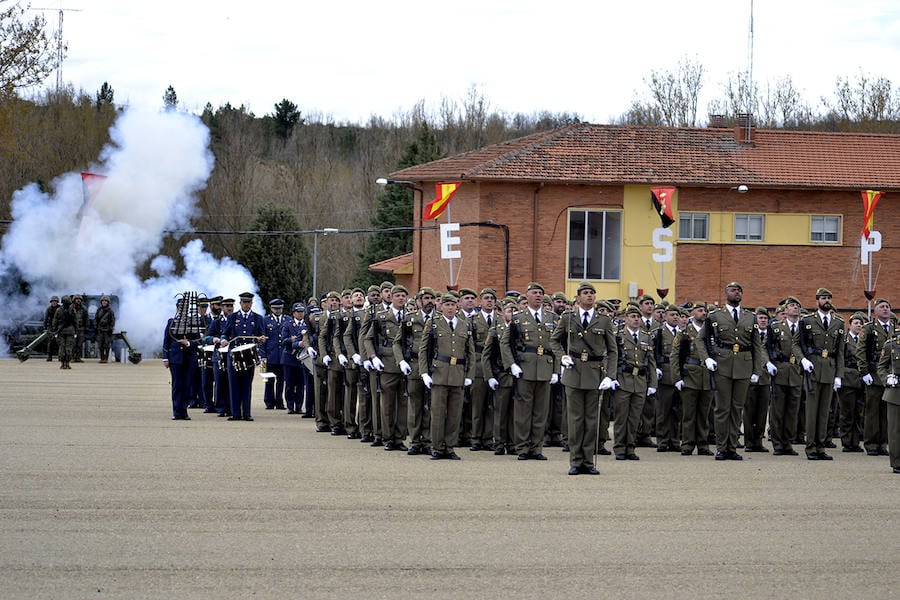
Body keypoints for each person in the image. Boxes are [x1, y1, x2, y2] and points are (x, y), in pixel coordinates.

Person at [548, 281, 617, 475]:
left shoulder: (603, 320)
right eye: (585, 293)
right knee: (576, 420)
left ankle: (588, 461)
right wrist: (562, 357)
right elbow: (554, 340)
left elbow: (612, 350)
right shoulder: (568, 318)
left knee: (592, 420)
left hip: (595, 374)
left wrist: (610, 376)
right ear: (578, 297)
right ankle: (575, 461)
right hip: (574, 372)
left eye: (592, 293)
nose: (589, 296)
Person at [700, 282, 765, 461]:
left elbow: (756, 346)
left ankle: (732, 446)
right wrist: (706, 359)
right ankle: (722, 447)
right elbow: (701, 340)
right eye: (733, 290)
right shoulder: (715, 316)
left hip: (744, 365)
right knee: (722, 409)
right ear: (726, 293)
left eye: (739, 290)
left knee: (737, 408)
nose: (736, 293)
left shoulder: (750, 317)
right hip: (723, 364)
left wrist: (757, 370)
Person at [500, 282, 560, 461]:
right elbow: (505, 343)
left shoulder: (551, 318)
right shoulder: (518, 318)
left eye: (541, 293)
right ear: (527, 296)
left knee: (541, 412)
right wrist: (511, 365)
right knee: (523, 412)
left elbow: (557, 345)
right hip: (525, 367)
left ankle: (536, 448)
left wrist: (557, 370)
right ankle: (522, 447)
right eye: (534, 293)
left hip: (545, 368)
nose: (538, 296)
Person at [420, 293, 475, 460]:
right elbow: (424, 349)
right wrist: (424, 373)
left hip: (458, 373)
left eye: (453, 305)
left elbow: (470, 352)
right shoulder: (434, 324)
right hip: (439, 373)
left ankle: (449, 447)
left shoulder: (464, 325)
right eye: (447, 305)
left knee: (454, 413)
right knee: (437, 412)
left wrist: (469, 374)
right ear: (441, 306)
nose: (450, 308)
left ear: (457, 306)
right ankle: (437, 447)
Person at [798, 287, 844, 460]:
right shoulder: (807, 321)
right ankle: (810, 447)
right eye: (823, 298)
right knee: (812, 411)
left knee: (825, 412)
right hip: (813, 368)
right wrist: (803, 359)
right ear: (817, 301)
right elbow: (797, 344)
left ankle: (820, 446)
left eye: (829, 298)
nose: (826, 301)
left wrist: (839, 375)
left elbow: (840, 351)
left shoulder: (838, 323)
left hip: (830, 370)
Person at [365, 284, 409, 451]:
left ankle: (400, 438)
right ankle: (388, 437)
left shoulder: (410, 317)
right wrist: (373, 357)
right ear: (392, 297)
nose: (400, 298)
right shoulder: (381, 317)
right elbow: (368, 338)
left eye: (403, 296)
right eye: (397, 295)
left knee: (403, 404)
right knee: (387, 404)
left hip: (405, 364)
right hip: (387, 364)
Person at [611, 304, 658, 461]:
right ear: (625, 319)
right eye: (632, 316)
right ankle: (619, 447)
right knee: (621, 417)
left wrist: (653, 384)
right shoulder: (618, 336)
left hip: (640, 382)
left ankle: (630, 447)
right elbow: (612, 358)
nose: (636, 319)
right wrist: (611, 378)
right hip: (623, 380)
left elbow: (651, 362)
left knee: (634, 418)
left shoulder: (646, 337)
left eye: (638, 317)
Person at [395, 287, 436, 455]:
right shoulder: (409, 320)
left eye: (432, 298)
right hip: (414, 366)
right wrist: (401, 361)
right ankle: (415, 440)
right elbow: (397, 342)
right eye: (426, 298)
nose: (429, 302)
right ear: (419, 301)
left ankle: (427, 440)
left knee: (430, 406)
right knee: (415, 405)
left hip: (433, 367)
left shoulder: (439, 320)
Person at [671, 302, 715, 456]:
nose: (703, 313)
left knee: (704, 414)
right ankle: (688, 444)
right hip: (690, 375)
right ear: (693, 313)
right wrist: (677, 377)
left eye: (705, 310)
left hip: (707, 377)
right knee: (689, 414)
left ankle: (703, 444)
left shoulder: (711, 332)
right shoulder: (684, 332)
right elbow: (675, 356)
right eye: (700, 310)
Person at [220, 292, 266, 421]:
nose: (246, 304)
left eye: (249, 302)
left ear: (251, 303)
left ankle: (246, 413)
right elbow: (225, 333)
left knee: (247, 384)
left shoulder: (258, 318)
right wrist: (223, 340)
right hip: (234, 355)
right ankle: (235, 413)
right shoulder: (233, 317)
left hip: (249, 356)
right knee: (234, 384)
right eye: (244, 302)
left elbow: (262, 335)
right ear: (240, 303)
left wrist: (261, 339)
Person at [856, 298, 893, 456]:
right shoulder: (869, 328)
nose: (885, 309)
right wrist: (864, 373)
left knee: (886, 411)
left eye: (887, 307)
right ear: (875, 310)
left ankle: (883, 443)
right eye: (882, 307)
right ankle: (871, 444)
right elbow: (860, 352)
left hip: (890, 375)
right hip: (874, 373)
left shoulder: (894, 329)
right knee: (872, 410)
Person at [768, 296, 804, 456]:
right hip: (780, 371)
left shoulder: (804, 328)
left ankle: (788, 443)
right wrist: (769, 363)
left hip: (796, 372)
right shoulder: (776, 327)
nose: (795, 308)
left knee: (792, 411)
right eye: (791, 305)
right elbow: (766, 347)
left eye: (797, 305)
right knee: (778, 411)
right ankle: (777, 444)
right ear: (785, 310)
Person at [483, 299, 517, 455]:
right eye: (509, 311)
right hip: (501, 376)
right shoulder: (495, 330)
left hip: (517, 377)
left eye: (514, 311)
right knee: (500, 412)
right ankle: (499, 442)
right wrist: (490, 376)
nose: (512, 314)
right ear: (503, 312)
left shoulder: (519, 330)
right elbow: (486, 355)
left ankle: (512, 443)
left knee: (515, 413)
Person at [743, 306, 774, 452]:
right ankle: (749, 442)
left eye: (765, 318)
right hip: (751, 376)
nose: (763, 320)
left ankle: (758, 441)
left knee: (762, 412)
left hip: (766, 378)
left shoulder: (771, 335)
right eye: (760, 318)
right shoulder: (750, 334)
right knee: (749, 410)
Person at [163, 299, 198, 421]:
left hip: (189, 357)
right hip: (176, 358)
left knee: (187, 385)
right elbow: (166, 341)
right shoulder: (172, 322)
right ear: (177, 308)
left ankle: (184, 411)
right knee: (177, 385)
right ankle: (176, 411)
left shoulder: (192, 322)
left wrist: (188, 343)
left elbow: (198, 341)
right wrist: (165, 358)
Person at [654, 305, 682, 452]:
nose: (675, 317)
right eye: (672, 314)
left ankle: (675, 440)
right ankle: (663, 440)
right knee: (663, 410)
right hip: (664, 373)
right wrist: (656, 368)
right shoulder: (659, 332)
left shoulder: (682, 333)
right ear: (665, 316)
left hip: (678, 375)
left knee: (676, 410)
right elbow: (655, 352)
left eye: (677, 314)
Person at [839, 313, 867, 452]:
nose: (859, 325)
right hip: (847, 378)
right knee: (847, 412)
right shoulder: (844, 340)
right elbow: (840, 358)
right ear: (849, 325)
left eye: (860, 323)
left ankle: (855, 442)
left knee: (858, 412)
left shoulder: (863, 341)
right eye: (856, 323)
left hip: (860, 379)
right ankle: (846, 441)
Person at [875, 331, 900, 474]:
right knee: (895, 430)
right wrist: (886, 379)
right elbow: (881, 367)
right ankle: (897, 462)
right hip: (896, 391)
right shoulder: (891, 345)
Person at [204, 297, 233, 417]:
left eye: (231, 306)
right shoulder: (216, 322)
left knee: (232, 382)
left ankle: (232, 407)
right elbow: (207, 338)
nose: (229, 309)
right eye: (227, 306)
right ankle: (221, 407)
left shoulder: (236, 320)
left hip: (232, 355)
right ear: (222, 308)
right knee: (220, 382)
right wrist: (215, 339)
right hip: (219, 355)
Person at [281, 303, 311, 415]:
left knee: (300, 384)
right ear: (293, 313)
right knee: (289, 383)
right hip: (290, 357)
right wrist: (292, 340)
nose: (300, 314)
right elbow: (283, 340)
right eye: (298, 312)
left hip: (302, 358)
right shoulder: (288, 324)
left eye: (302, 312)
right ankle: (290, 406)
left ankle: (298, 406)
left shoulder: (307, 324)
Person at [262, 298, 287, 410]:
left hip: (282, 356)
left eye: (279, 308)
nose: (277, 310)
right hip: (270, 355)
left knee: (281, 381)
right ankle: (269, 401)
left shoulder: (287, 320)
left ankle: (279, 401)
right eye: (275, 308)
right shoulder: (265, 320)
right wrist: (262, 355)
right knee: (269, 380)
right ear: (271, 308)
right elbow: (262, 340)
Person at [52, 295, 76, 370]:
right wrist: (76, 331)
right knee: (68, 348)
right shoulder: (72, 310)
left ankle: (63, 364)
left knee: (62, 348)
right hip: (70, 331)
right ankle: (67, 364)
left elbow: (55, 321)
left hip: (61, 331)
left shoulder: (59, 310)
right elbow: (75, 322)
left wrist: (55, 330)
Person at [95, 295, 116, 363]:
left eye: (105, 301)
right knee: (100, 345)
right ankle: (102, 358)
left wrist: (110, 328)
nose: (104, 302)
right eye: (103, 301)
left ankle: (106, 358)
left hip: (107, 330)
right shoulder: (99, 310)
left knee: (107, 345)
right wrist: (96, 327)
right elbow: (96, 319)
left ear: (108, 302)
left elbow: (112, 321)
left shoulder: (110, 311)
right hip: (100, 330)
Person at [70, 295, 88, 363]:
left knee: (79, 343)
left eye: (79, 299)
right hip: (73, 328)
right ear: (74, 300)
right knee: (72, 343)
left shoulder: (84, 308)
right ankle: (72, 357)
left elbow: (86, 319)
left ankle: (78, 357)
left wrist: (86, 327)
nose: (78, 300)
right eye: (77, 299)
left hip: (81, 328)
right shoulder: (70, 308)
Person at [43, 296, 60, 362]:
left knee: (60, 342)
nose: (54, 302)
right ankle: (49, 356)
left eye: (55, 301)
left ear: (57, 302)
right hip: (51, 327)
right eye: (52, 301)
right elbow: (45, 319)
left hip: (59, 327)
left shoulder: (60, 308)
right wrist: (45, 328)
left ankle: (60, 356)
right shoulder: (49, 309)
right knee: (51, 342)